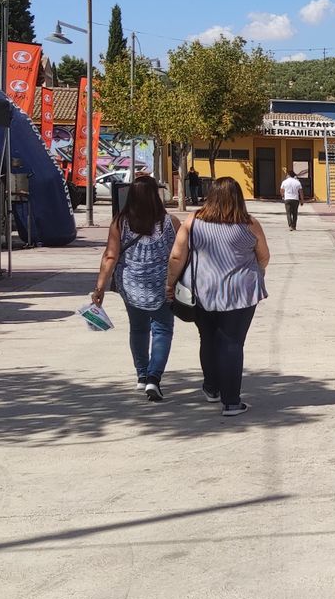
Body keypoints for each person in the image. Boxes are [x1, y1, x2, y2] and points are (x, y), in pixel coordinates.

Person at [167, 176, 269, 418]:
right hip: (240, 293)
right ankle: (231, 402)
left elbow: (177, 256)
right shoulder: (250, 224)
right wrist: (256, 272)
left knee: (208, 340)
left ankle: (212, 388)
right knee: (232, 344)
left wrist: (169, 284)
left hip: (202, 290)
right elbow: (264, 255)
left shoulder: (193, 221)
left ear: (211, 196)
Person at [91, 174, 176, 401]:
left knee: (138, 329)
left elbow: (110, 256)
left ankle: (141, 375)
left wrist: (99, 288)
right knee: (162, 330)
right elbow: (178, 256)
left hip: (131, 284)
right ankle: (153, 379)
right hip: (162, 286)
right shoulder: (169, 222)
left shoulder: (120, 222)